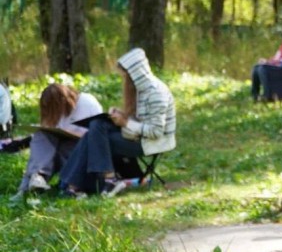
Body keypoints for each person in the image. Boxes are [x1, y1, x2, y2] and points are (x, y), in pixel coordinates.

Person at [60, 48, 176, 197]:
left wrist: (125, 122)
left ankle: (74, 185)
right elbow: (142, 119)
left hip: (151, 143)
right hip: (138, 136)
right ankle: (100, 180)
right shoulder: (143, 90)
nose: (125, 79)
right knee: (97, 125)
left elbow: (155, 132)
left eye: (126, 75)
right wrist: (122, 115)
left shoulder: (155, 93)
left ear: (136, 74)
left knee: (93, 137)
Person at [12, 84, 103, 198]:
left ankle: (30, 184)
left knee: (55, 148)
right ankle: (35, 180)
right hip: (62, 151)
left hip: (83, 152)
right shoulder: (56, 112)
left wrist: (73, 134)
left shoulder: (87, 102)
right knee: (42, 135)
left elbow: (100, 134)